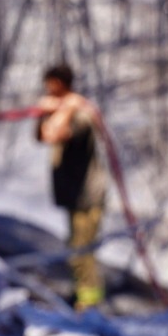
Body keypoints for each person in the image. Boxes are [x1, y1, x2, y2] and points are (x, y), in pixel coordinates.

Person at [36, 63, 107, 310]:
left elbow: (60, 134)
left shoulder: (81, 114)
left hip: (89, 195)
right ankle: (83, 296)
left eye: (51, 84)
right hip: (74, 195)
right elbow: (41, 135)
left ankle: (90, 304)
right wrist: (43, 113)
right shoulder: (59, 111)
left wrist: (65, 109)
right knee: (74, 248)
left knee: (82, 251)